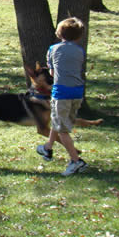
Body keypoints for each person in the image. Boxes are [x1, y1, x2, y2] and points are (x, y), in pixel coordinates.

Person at [36, 17, 89, 176]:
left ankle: (76, 161)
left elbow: (52, 72)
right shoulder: (80, 51)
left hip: (61, 93)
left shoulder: (53, 49)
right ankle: (48, 148)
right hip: (77, 92)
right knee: (59, 121)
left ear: (59, 33)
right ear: (79, 36)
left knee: (62, 129)